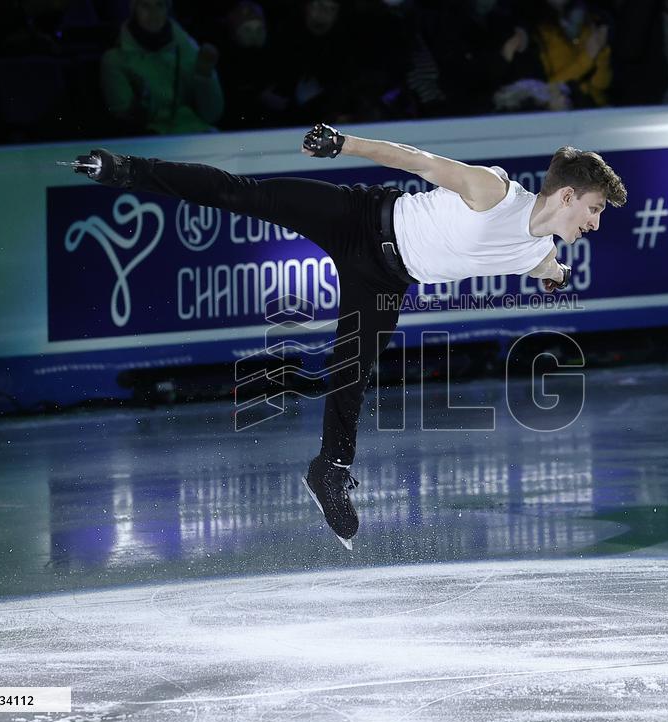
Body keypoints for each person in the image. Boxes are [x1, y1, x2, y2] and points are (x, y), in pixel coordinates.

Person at [67, 123, 626, 547]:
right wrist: (344, 144)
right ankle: (125, 170)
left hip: (384, 277)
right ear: (568, 195)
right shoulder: (494, 191)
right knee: (247, 195)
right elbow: (418, 161)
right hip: (359, 217)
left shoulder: (541, 248)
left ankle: (329, 471)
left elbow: (538, 264)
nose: (596, 224)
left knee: (352, 373)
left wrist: (556, 277)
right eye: (595, 209)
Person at [100, 0, 224, 135]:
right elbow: (123, 118)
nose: (154, 13)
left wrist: (204, 77)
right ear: (134, 9)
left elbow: (212, 114)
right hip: (148, 139)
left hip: (197, 132)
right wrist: (142, 103)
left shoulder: (188, 48)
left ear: (167, 9)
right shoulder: (115, 59)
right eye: (145, 6)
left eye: (160, 5)